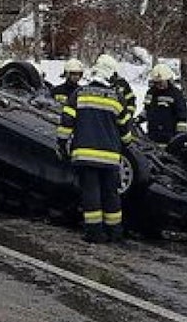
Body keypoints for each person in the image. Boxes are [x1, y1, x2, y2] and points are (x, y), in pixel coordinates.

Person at [57, 57, 136, 243]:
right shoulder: (117, 98)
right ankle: (115, 232)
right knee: (111, 194)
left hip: (84, 155)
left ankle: (94, 233)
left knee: (91, 193)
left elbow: (66, 123)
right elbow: (125, 131)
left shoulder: (79, 94)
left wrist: (61, 144)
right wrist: (125, 144)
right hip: (110, 158)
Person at [139, 63, 187, 145]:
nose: (159, 85)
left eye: (161, 82)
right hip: (153, 134)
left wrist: (180, 135)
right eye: (157, 83)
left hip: (170, 137)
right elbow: (146, 110)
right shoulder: (151, 93)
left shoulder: (176, 94)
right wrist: (138, 119)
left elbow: (182, 114)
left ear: (168, 80)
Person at [95, 54, 137, 121]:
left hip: (121, 120)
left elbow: (131, 101)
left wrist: (128, 115)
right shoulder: (96, 83)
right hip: (103, 120)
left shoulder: (122, 84)